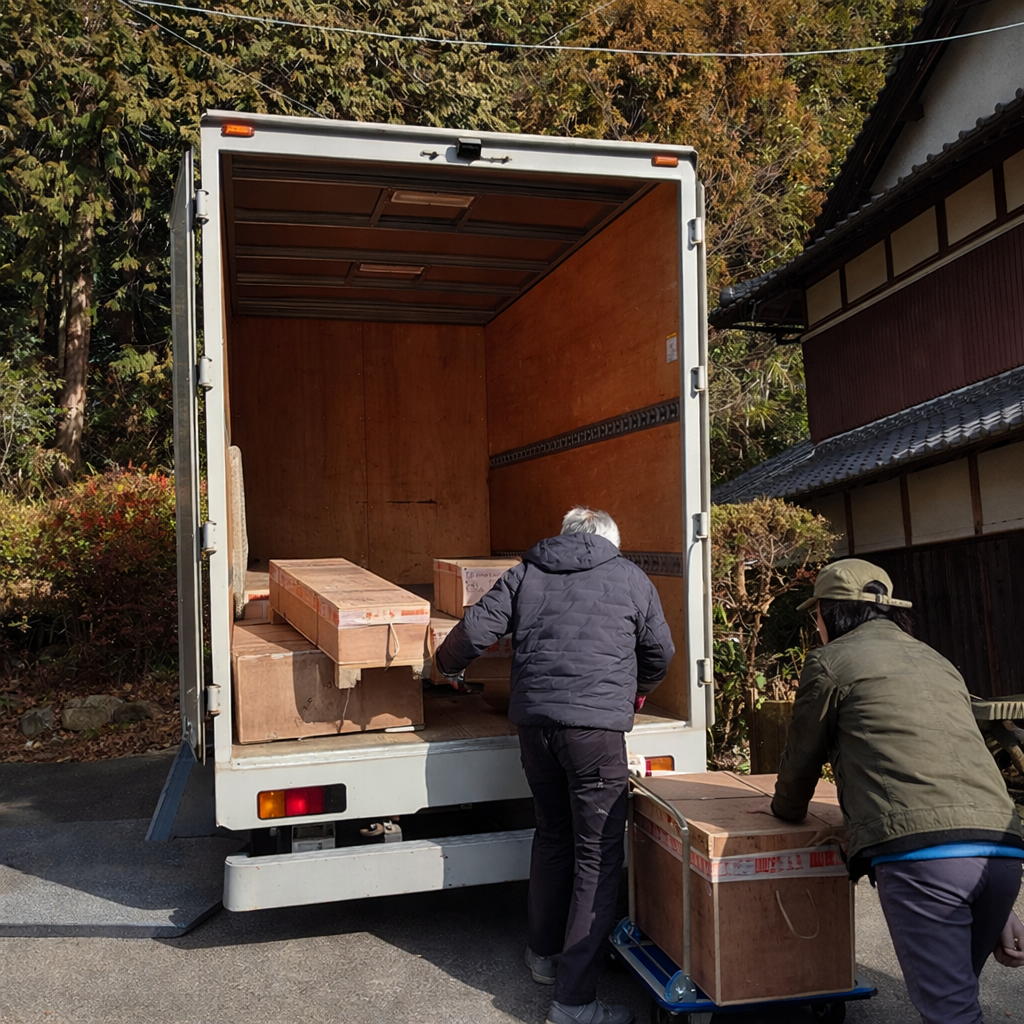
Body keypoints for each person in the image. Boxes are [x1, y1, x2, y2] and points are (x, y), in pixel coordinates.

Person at [436, 506, 674, 1024]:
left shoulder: (525, 572)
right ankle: (573, 1001)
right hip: (594, 733)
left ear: (565, 536)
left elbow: (474, 632)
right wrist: (636, 692)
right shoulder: (631, 578)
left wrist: (446, 668)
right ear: (611, 541)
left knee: (552, 833)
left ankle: (543, 955)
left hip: (535, 729)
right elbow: (660, 650)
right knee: (598, 854)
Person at [772, 558, 1024, 1024]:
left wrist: (785, 811)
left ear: (831, 613)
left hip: (924, 858)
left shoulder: (831, 661)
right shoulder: (936, 660)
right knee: (956, 996)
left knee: (951, 1013)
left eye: (817, 614)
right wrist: (999, 899)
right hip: (1002, 850)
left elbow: (802, 756)